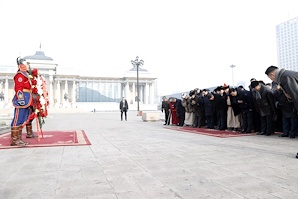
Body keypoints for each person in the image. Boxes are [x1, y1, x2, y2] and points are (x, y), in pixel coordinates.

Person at [265, 66, 298, 158]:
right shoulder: (287, 74)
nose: (272, 79)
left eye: (270, 77)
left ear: (272, 74)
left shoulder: (285, 77)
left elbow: (296, 95)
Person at [10, 57, 32, 146]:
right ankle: (14, 140)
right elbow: (18, 88)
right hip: (22, 99)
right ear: (22, 65)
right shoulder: (20, 75)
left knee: (22, 118)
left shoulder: (25, 74)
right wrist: (20, 99)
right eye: (27, 64)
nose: (28, 66)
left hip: (27, 98)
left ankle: (18, 139)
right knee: (17, 119)